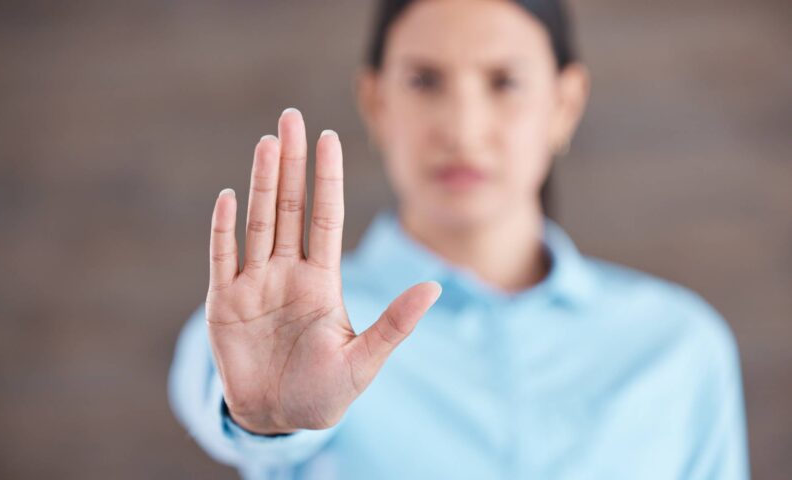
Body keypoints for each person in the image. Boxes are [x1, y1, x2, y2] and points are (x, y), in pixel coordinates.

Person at [168, 0, 750, 478]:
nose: (463, 129)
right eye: (424, 81)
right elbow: (224, 385)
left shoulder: (677, 346)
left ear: (565, 103)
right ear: (375, 101)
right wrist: (267, 420)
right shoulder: (276, 327)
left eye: (505, 82)